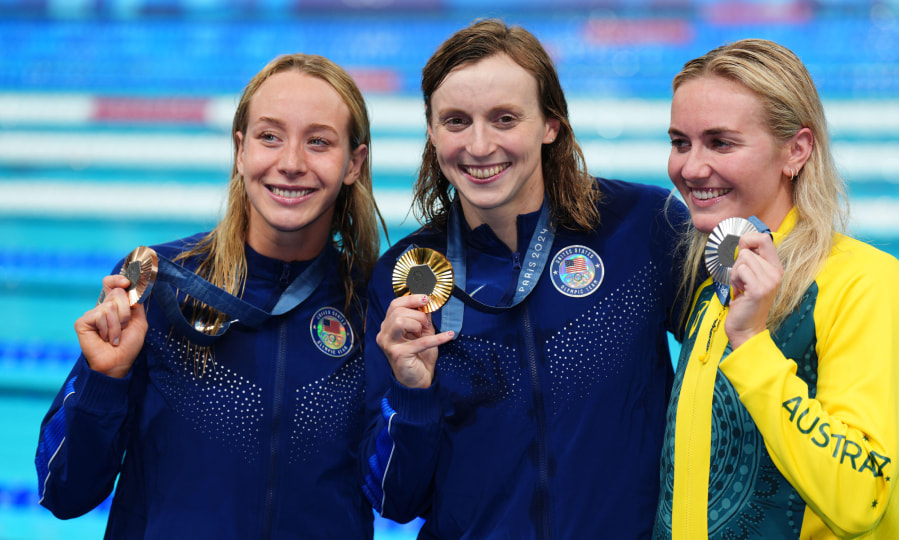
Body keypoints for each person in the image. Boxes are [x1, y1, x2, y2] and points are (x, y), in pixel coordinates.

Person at [360, 19, 688, 538]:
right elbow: (395, 502)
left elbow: (728, 359)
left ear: (550, 124)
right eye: (456, 121)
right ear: (431, 131)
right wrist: (412, 394)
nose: (479, 145)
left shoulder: (641, 227)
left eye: (505, 118)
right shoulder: (405, 277)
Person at [35, 53, 385, 538]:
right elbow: (63, 492)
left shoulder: (371, 304)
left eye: (319, 142)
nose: (290, 163)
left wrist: (414, 395)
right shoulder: (158, 285)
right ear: (240, 150)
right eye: (269, 137)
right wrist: (105, 380)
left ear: (354, 163)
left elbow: (400, 496)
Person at [654, 39, 899, 538]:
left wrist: (752, 346)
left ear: (796, 150)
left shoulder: (866, 283)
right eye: (680, 143)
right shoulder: (713, 283)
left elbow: (860, 496)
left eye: (720, 143)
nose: (690, 168)